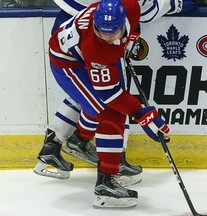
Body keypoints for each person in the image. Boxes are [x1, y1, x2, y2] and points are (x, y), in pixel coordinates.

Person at [33, 0, 193, 182]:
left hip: (74, 46)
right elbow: (111, 96)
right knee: (109, 110)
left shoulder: (131, 6)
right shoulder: (98, 47)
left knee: (86, 99)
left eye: (112, 33)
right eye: (101, 31)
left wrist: (130, 38)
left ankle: (56, 148)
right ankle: (105, 176)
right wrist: (142, 114)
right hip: (67, 63)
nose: (106, 37)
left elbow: (136, 21)